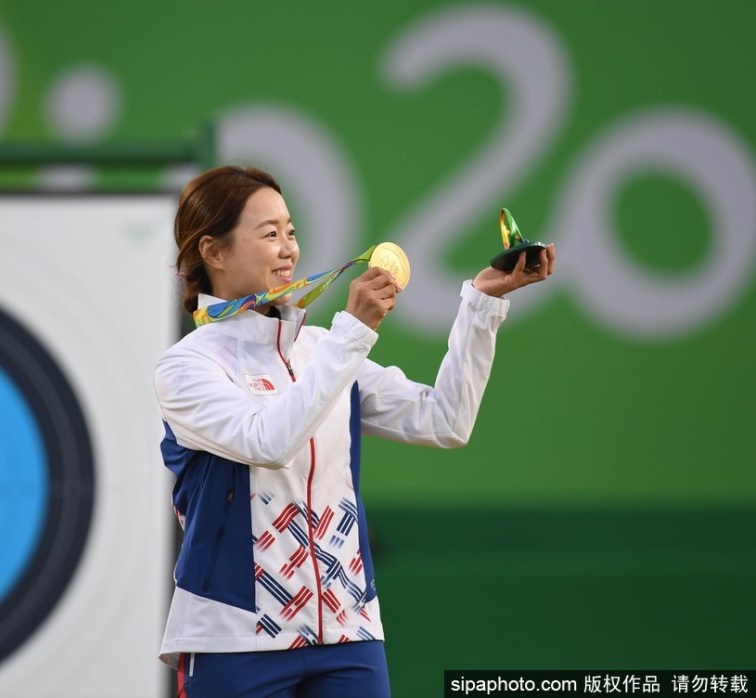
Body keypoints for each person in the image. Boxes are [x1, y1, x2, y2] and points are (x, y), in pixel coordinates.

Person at [154, 165, 556, 698]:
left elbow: (445, 421)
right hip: (235, 639)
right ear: (214, 251)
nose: (288, 249)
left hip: (350, 633)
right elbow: (267, 441)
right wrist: (354, 332)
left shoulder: (321, 350)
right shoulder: (186, 367)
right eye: (269, 233)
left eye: (291, 231)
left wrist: (482, 304)